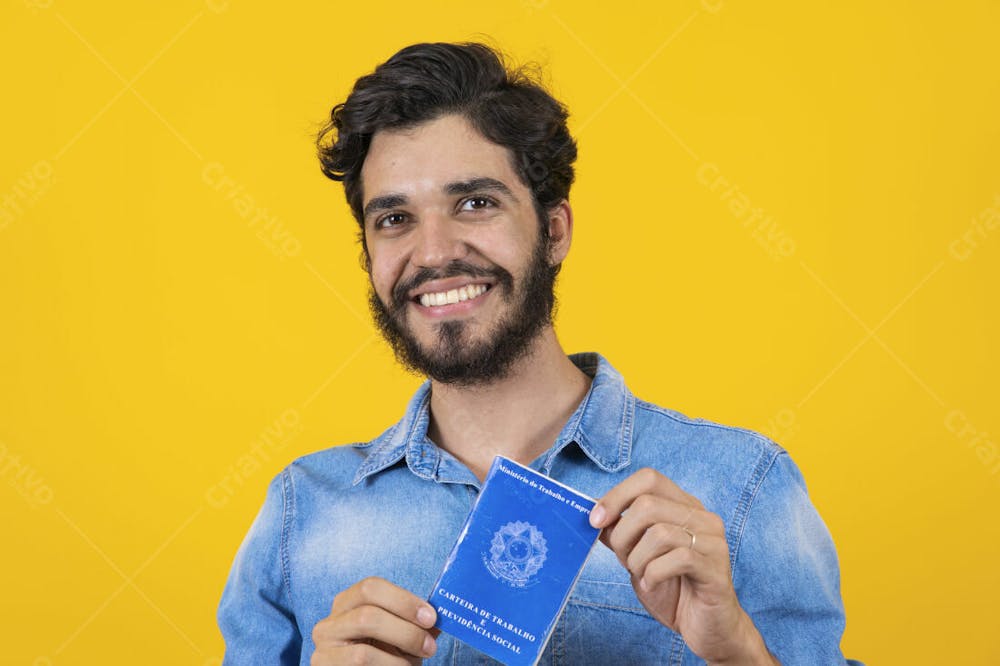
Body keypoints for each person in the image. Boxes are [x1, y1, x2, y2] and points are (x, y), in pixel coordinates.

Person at [218, 42, 860, 665]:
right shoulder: (301, 510)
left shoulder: (740, 485)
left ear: (553, 231)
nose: (434, 251)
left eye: (474, 203)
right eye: (394, 218)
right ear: (369, 256)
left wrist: (740, 654)